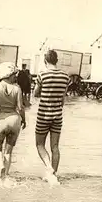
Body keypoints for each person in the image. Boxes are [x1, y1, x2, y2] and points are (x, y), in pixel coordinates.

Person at [33, 50, 70, 185]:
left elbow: (36, 94)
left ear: (45, 61)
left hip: (43, 115)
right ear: (57, 60)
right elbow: (63, 99)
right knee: (55, 146)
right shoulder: (65, 76)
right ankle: (53, 174)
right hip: (57, 115)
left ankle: (49, 169)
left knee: (39, 144)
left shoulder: (42, 74)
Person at [0, 62, 26, 185]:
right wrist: (24, 120)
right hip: (14, 120)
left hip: (0, 120)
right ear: (9, 75)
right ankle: (5, 177)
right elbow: (20, 107)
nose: (15, 76)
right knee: (8, 151)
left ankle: (0, 167)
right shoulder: (17, 88)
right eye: (14, 74)